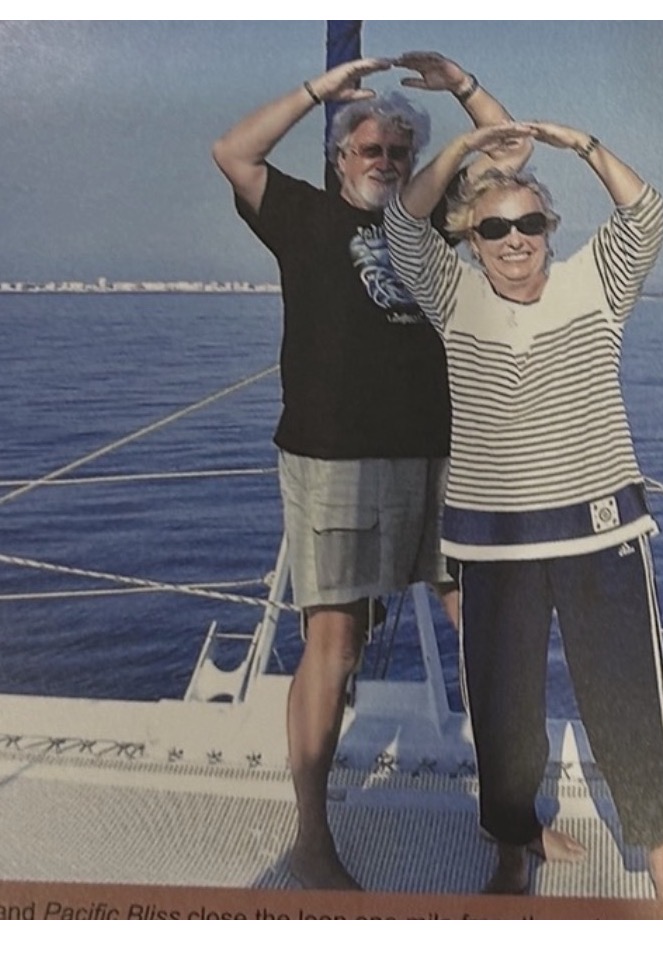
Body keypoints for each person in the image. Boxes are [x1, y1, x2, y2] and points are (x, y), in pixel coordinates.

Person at [211, 52, 529, 891]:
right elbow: (232, 152)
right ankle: (312, 839)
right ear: (340, 156)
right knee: (336, 640)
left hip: (440, 455)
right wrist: (319, 90)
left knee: (483, 629)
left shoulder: (432, 222)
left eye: (397, 150)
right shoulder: (304, 217)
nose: (383, 161)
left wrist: (463, 86)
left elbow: (511, 151)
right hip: (334, 459)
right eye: (368, 149)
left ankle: (511, 830)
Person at [384, 120, 663, 899]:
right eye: (494, 228)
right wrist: (463, 147)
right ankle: (513, 846)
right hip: (493, 541)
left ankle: (662, 862)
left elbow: (646, 213)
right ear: (472, 239)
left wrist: (581, 145)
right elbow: (402, 223)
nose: (513, 239)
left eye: (528, 223)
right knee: (503, 710)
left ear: (549, 228)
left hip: (600, 529)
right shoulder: (453, 296)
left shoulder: (596, 284)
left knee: (625, 699)